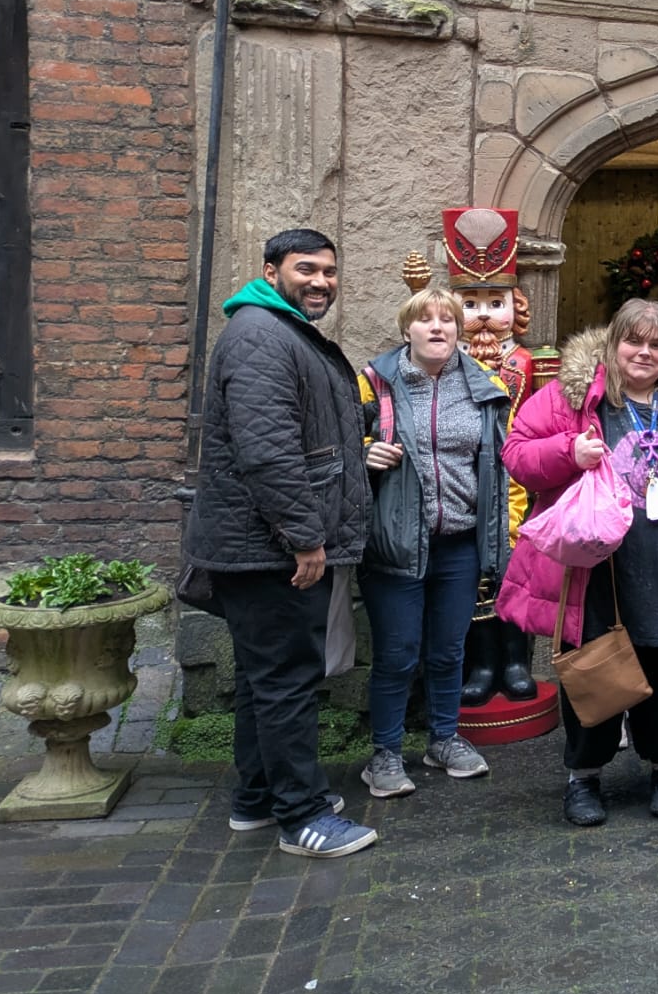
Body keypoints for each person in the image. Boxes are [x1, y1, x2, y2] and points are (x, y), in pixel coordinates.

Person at [495, 299, 658, 826]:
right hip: (603, 572)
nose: (644, 353)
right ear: (614, 343)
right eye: (633, 341)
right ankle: (584, 778)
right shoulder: (574, 396)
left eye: (656, 345)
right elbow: (518, 453)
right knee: (597, 668)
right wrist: (570, 452)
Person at [183, 228, 377, 858]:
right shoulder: (262, 335)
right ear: (271, 270)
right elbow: (267, 454)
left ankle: (257, 799)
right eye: (306, 269)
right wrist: (304, 539)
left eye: (329, 270)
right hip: (271, 550)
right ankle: (303, 817)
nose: (320, 281)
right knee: (288, 680)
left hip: (262, 545)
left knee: (264, 678)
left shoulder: (279, 331)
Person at [354, 286, 514, 798]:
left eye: (447, 319)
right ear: (407, 330)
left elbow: (499, 463)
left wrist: (500, 535)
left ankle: (444, 739)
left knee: (448, 650)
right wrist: (364, 452)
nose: (438, 327)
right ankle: (384, 753)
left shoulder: (484, 386)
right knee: (398, 654)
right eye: (426, 320)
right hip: (396, 541)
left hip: (458, 543)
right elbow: (337, 440)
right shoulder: (375, 383)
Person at [436, 207, 541, 709]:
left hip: (518, 486)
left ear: (514, 307)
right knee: (476, 576)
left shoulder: (528, 362)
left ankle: (517, 661)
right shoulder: (444, 362)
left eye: (494, 302)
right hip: (464, 482)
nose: (481, 315)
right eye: (470, 302)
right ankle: (481, 663)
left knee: (516, 570)